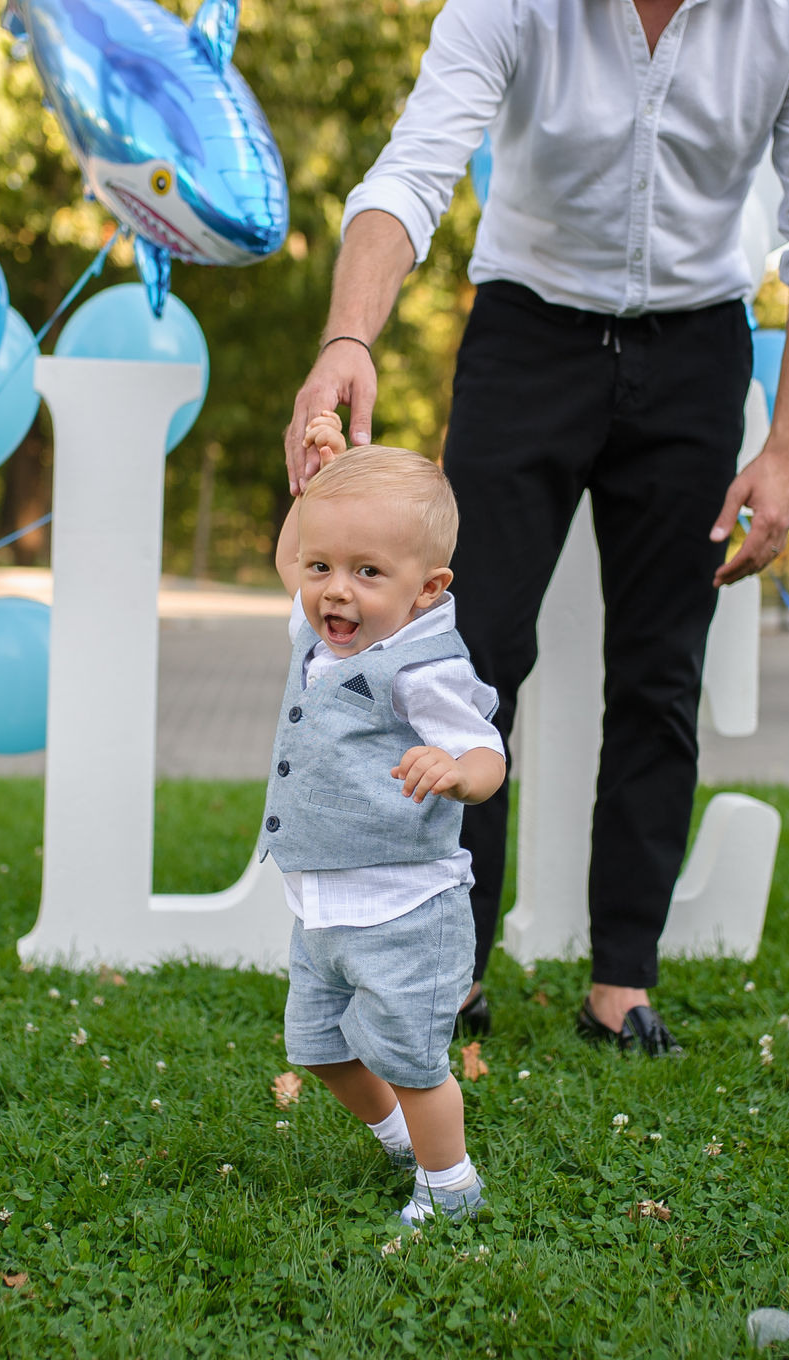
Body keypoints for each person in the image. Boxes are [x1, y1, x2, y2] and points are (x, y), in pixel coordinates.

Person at [284, 0, 789, 1055]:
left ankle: (621, 981)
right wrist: (348, 336)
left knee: (659, 672)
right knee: (467, 655)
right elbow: (414, 169)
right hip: (527, 341)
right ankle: (447, 967)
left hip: (698, 350)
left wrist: (784, 449)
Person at [265, 414, 507, 1225]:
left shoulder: (425, 664)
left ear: (427, 588)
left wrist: (457, 772)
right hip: (323, 911)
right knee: (319, 1049)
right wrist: (316, 486)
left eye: (367, 571)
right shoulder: (323, 633)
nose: (336, 589)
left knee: (411, 1058)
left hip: (407, 910)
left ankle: (450, 1187)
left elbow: (487, 753)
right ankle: (403, 1136)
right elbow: (286, 556)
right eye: (322, 565)